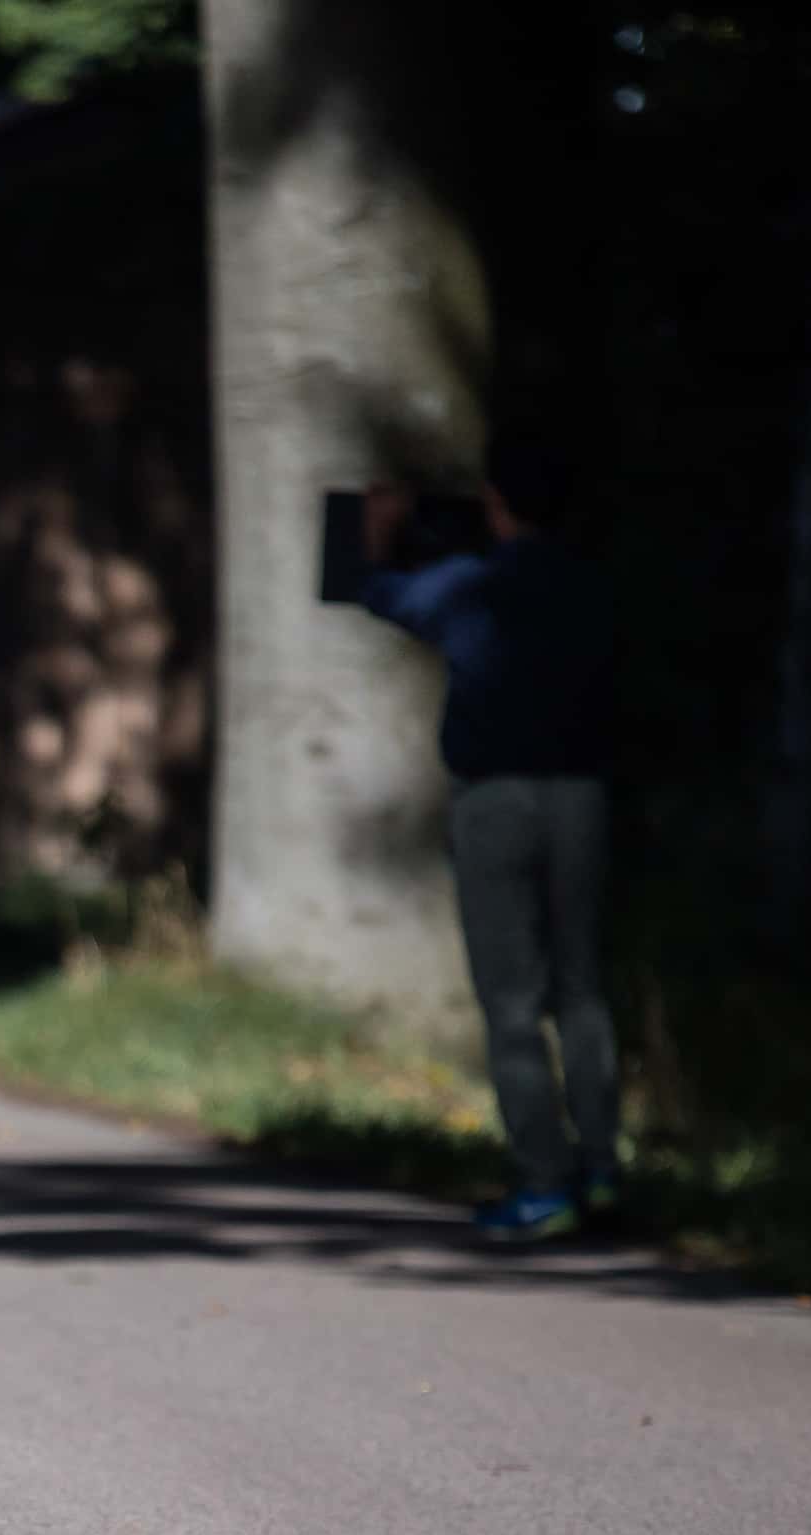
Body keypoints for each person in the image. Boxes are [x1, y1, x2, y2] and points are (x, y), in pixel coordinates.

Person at [361, 429, 620, 1240]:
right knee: (581, 991)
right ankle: (603, 1168)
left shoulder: (468, 588)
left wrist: (376, 525)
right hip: (583, 797)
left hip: (495, 802)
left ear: (496, 506)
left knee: (512, 1002)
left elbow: (372, 589)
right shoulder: (596, 587)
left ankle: (544, 1183)